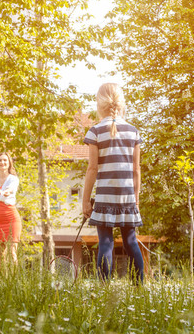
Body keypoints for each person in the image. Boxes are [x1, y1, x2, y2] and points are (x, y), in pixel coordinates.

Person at [82, 83, 144, 284]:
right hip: (127, 197)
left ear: (99, 103)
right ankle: (139, 288)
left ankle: (103, 290)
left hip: (105, 196)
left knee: (106, 243)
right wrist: (136, 199)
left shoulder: (95, 131)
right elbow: (136, 170)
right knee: (131, 241)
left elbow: (92, 169)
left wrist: (85, 201)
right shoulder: (133, 131)